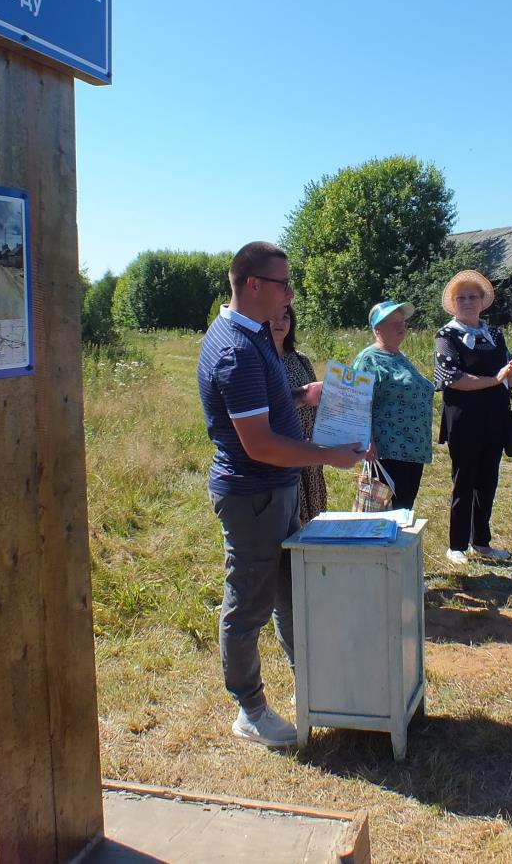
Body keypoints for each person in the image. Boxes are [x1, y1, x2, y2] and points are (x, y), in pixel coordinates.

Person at [197, 242, 363, 747]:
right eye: (282, 284)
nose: (290, 294)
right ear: (252, 285)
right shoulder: (236, 349)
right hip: (255, 496)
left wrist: (299, 396)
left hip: (277, 492)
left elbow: (259, 407)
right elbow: (261, 443)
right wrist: (327, 455)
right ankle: (250, 709)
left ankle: (313, 685)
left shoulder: (253, 336)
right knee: (247, 605)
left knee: (294, 593)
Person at [434, 270, 512, 565]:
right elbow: (451, 377)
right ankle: (456, 545)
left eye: (473, 296)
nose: (468, 301)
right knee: (464, 479)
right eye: (462, 298)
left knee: (488, 480)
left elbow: (510, 373)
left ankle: (481, 541)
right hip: (464, 418)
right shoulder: (447, 335)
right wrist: (495, 380)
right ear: (453, 303)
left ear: (483, 301)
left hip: (495, 415)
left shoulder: (494, 334)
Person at [351, 300, 434, 512]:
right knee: (385, 513)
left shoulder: (399, 356)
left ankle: (399, 546)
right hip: (388, 450)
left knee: (403, 509)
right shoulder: (369, 358)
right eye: (393, 323)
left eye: (402, 322)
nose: (401, 327)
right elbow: (357, 403)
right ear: (377, 329)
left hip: (411, 449)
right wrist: (367, 440)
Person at [268, 305, 328, 523]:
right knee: (292, 521)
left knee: (314, 519)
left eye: (285, 317)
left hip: (309, 448)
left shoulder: (301, 359)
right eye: (274, 317)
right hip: (283, 450)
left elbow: (317, 402)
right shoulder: (259, 361)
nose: (280, 323)